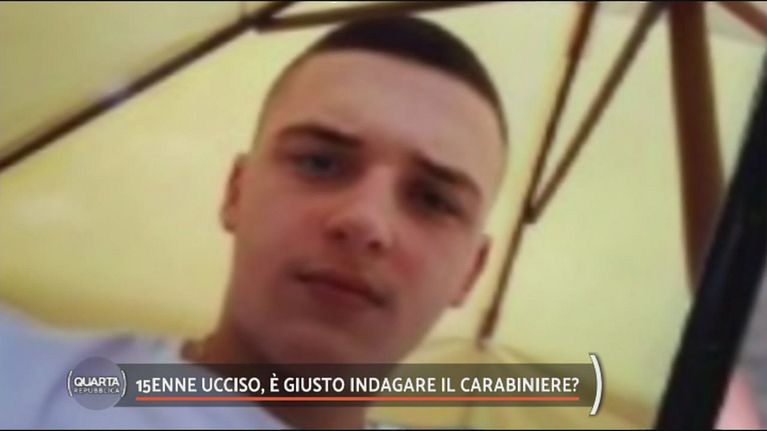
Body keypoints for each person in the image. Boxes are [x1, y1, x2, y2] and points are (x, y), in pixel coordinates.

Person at [0, 16, 507, 429]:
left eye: (432, 200)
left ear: (471, 272)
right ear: (236, 193)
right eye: (320, 163)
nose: (364, 221)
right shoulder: (19, 376)